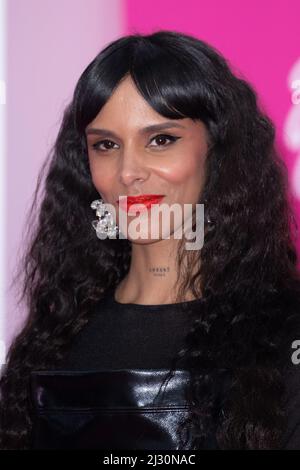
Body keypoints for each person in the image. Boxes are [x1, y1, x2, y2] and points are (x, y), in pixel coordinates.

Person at [1, 30, 300, 450]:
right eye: (105, 145)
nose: (128, 171)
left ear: (217, 150)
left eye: (161, 140)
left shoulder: (285, 333)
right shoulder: (51, 337)